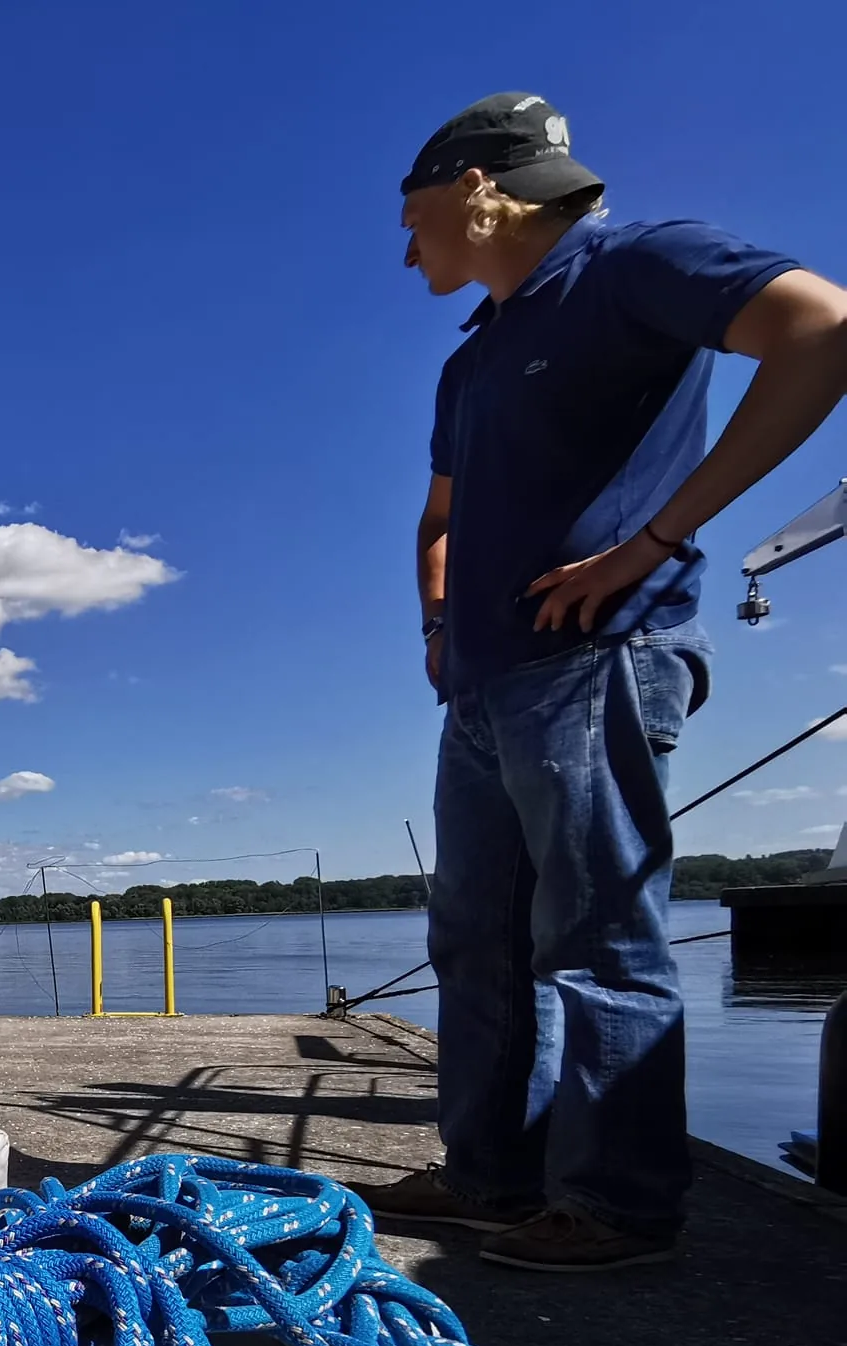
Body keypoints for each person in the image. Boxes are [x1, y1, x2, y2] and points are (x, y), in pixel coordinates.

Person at [350, 92, 847, 1271]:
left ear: (475, 186)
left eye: (409, 213)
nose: (402, 242)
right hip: (482, 687)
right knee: (474, 940)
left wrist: (656, 540)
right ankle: (488, 1177)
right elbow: (436, 520)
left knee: (596, 934)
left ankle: (617, 1207)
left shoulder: (634, 263)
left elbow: (822, 330)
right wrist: (435, 623)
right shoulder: (470, 359)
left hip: (598, 659)